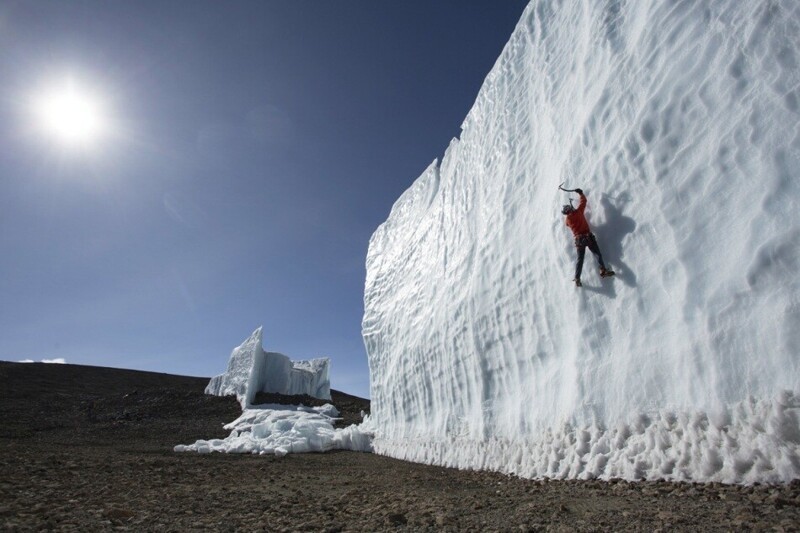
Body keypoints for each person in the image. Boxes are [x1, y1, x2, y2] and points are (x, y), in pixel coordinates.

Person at [562, 188, 614, 287]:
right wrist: (580, 193)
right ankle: (602, 269)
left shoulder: (568, 220)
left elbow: (567, 225)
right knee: (597, 253)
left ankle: (577, 277)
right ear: (571, 208)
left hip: (579, 241)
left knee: (580, 260)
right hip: (588, 237)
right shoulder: (579, 212)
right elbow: (583, 201)